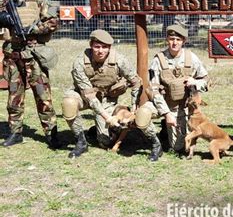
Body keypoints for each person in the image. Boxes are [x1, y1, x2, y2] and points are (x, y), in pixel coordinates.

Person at [62, 30, 163, 161]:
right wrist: (106, 117)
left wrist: (134, 105)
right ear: (91, 45)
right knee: (69, 103)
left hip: (107, 99)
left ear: (109, 48)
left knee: (105, 142)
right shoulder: (80, 62)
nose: (100, 51)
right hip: (83, 96)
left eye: (104, 47)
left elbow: (136, 81)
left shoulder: (119, 60)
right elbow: (90, 96)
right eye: (97, 47)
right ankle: (81, 141)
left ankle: (106, 130)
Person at [0, 0, 59, 148]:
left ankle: (51, 133)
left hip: (34, 53)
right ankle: (15, 132)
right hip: (13, 54)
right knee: (14, 96)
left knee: (43, 95)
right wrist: (3, 19)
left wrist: (34, 29)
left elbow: (52, 22)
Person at [140, 24, 208, 154]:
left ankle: (167, 132)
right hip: (163, 104)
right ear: (167, 39)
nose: (174, 43)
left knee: (179, 148)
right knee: (142, 115)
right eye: (171, 39)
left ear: (184, 41)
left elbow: (206, 81)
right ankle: (156, 144)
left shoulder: (191, 57)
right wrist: (166, 114)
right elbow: (152, 89)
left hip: (183, 108)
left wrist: (196, 82)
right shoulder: (158, 59)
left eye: (178, 39)